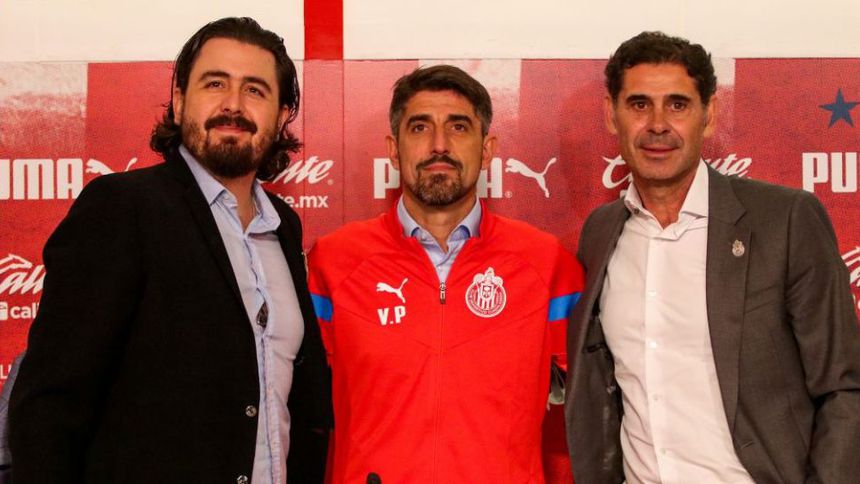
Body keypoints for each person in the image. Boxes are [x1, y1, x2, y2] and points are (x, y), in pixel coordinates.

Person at [9, 17, 331, 483]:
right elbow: (50, 404)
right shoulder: (122, 208)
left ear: (281, 116)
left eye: (255, 90)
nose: (233, 104)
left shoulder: (283, 226)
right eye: (214, 83)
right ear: (179, 102)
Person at [565, 31, 860, 483]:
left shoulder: (784, 220)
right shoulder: (600, 232)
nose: (658, 124)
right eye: (640, 104)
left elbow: (845, 387)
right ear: (611, 114)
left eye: (678, 105)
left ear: (709, 115)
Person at [307, 65, 584, 483]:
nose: (439, 145)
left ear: (487, 149)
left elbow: (601, 400)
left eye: (458, 127)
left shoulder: (547, 264)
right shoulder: (333, 262)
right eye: (420, 128)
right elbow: (295, 405)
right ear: (394, 149)